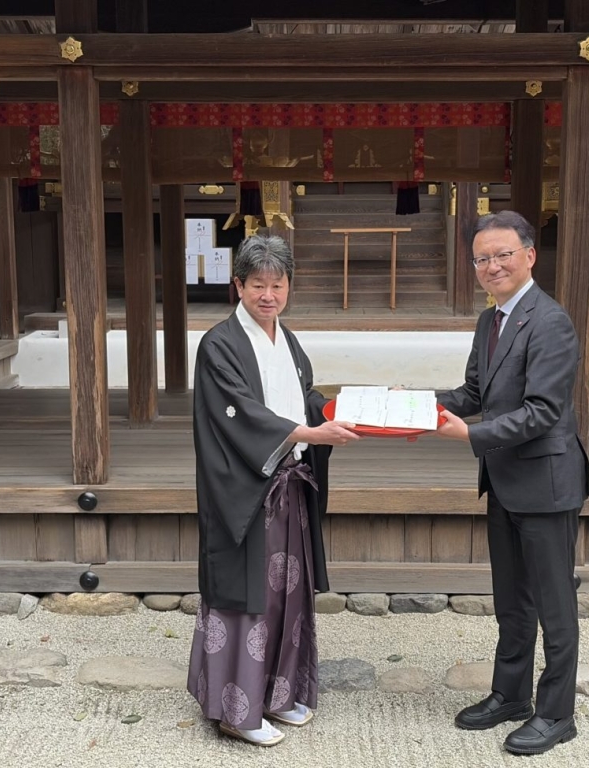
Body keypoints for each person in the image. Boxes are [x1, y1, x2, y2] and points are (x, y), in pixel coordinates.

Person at [187, 235, 359, 747]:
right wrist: (309, 434)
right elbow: (240, 414)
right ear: (238, 285)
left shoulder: (288, 340)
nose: (269, 295)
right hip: (247, 492)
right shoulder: (219, 344)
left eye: (278, 285)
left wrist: (345, 411)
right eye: (258, 285)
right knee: (248, 596)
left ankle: (278, 694)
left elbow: (304, 398)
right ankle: (236, 711)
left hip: (290, 487)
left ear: (289, 287)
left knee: (287, 594)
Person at [435, 210, 589, 756]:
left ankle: (557, 714)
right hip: (504, 479)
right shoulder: (491, 320)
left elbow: (543, 411)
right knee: (512, 599)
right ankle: (510, 695)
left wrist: (470, 435)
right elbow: (473, 393)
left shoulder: (550, 321)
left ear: (529, 255)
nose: (493, 265)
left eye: (503, 254)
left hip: (546, 482)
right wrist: (415, 405)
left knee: (554, 605)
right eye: (482, 258)